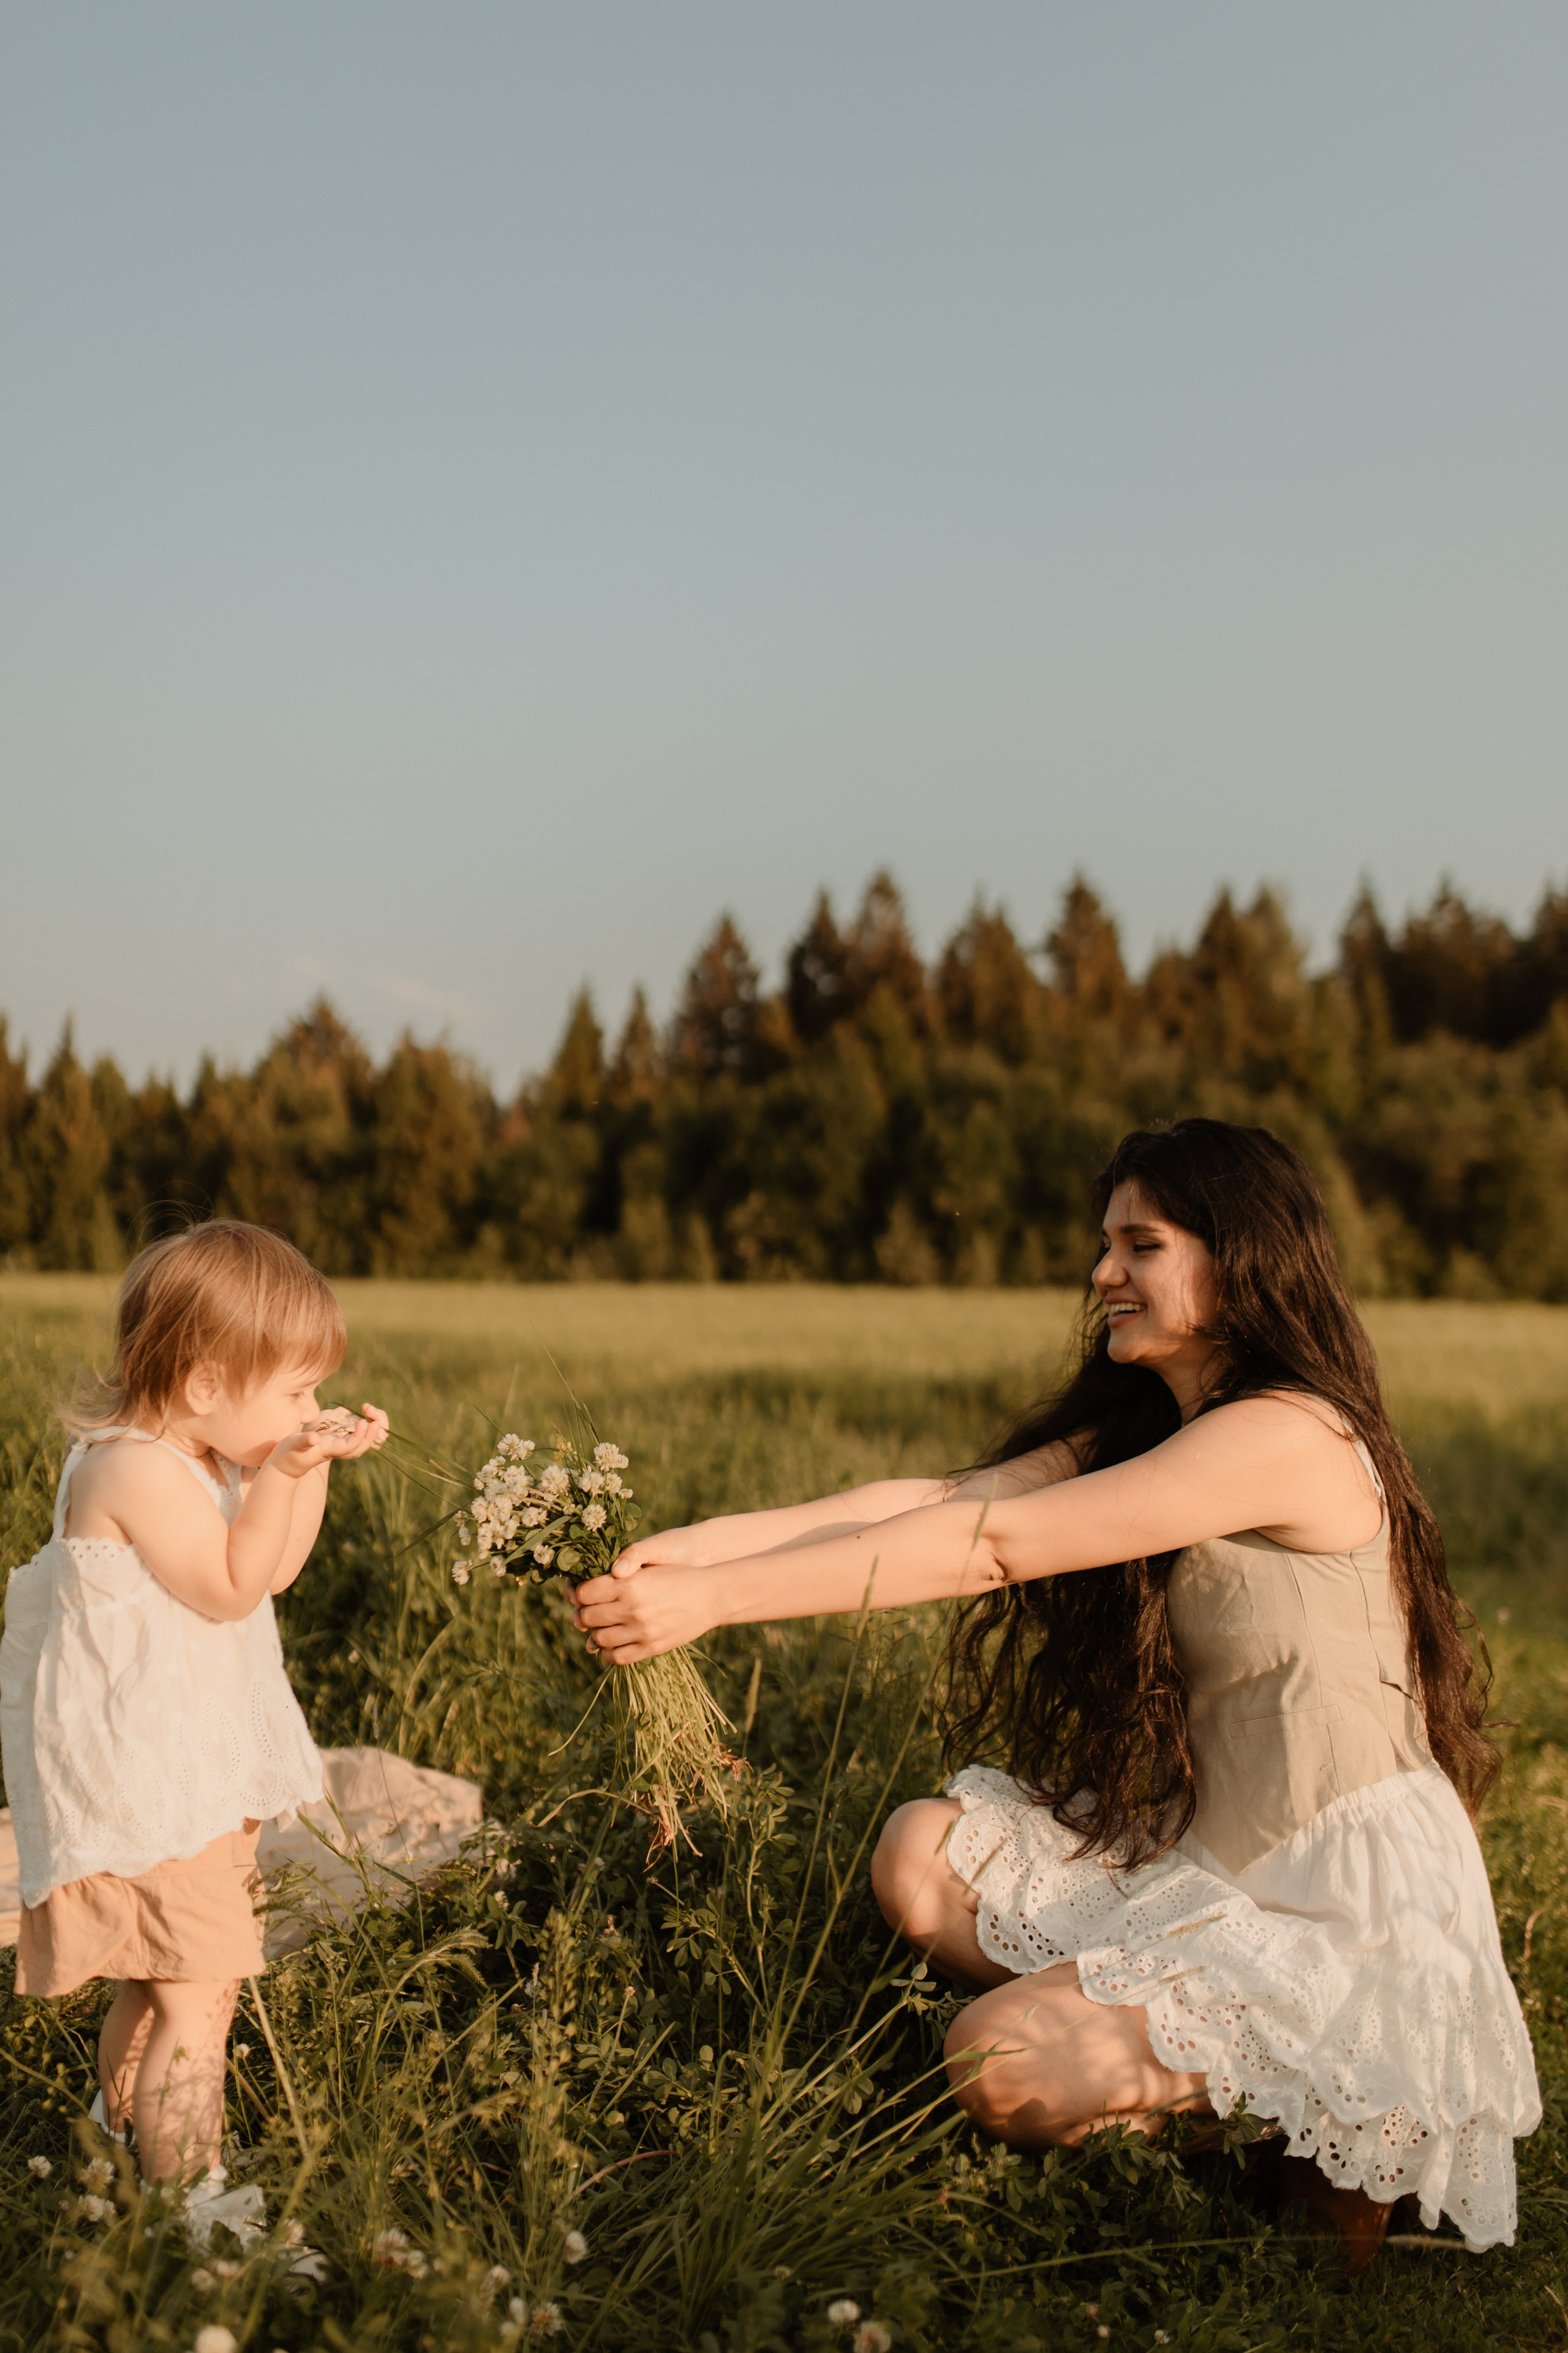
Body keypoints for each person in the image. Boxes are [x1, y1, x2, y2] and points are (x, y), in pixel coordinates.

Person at [571, 1119, 1540, 2265]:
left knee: (996, 2061)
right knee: (920, 1853)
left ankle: (1318, 2121)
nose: (1103, 1275)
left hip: (1339, 1907)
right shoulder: (1165, 1425)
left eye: (1140, 1245)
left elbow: (993, 1547)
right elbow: (941, 1498)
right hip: (1221, 1865)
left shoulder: (1289, 1434)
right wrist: (701, 1551)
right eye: (1105, 1244)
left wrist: (726, 1603)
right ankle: (1245, 2098)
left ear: (1241, 1257)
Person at [1, 1220, 387, 2200]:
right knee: (194, 1996)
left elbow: (274, 1572)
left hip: (196, 1775)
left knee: (174, 1979)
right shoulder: (127, 1469)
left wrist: (307, 1471)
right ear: (206, 1382)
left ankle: (119, 2134)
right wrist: (286, 1472)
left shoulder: (209, 1459)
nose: (309, 1405)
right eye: (293, 1389)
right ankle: (191, 2202)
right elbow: (227, 1584)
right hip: (144, 1787)